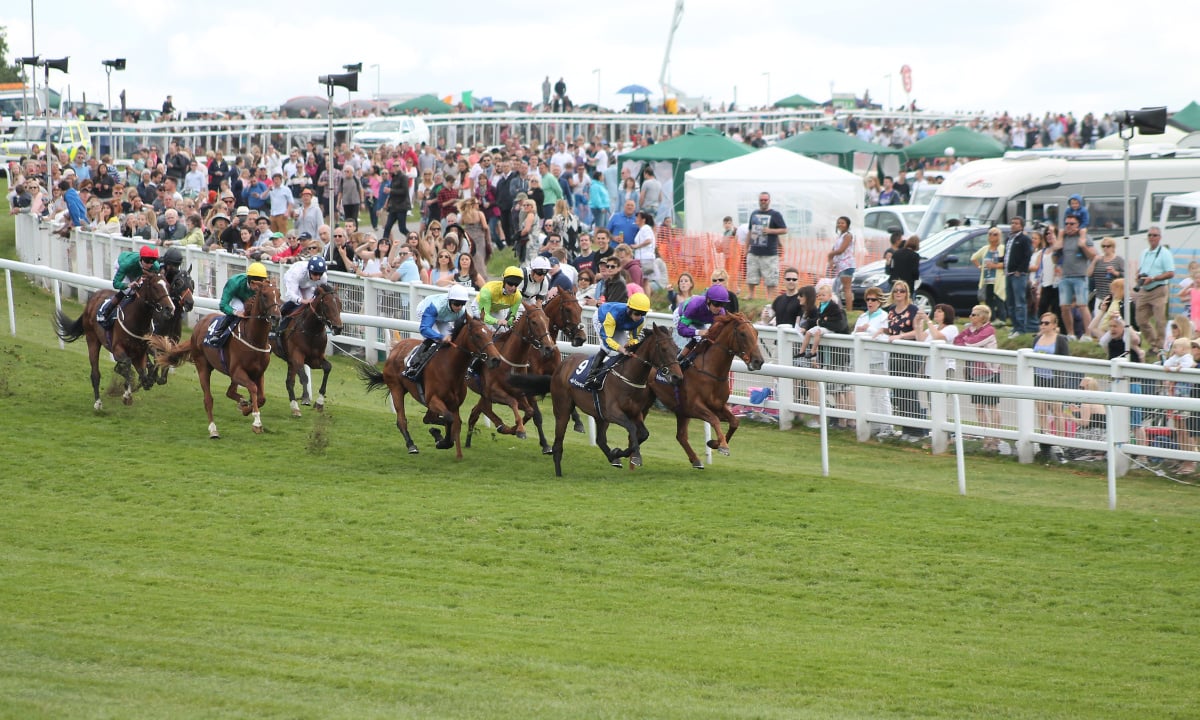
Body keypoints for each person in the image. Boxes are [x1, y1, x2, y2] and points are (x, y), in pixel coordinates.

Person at [954, 305, 1002, 451]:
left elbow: (972, 343)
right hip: (976, 372)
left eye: (974, 315)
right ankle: (986, 438)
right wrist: (968, 339)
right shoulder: (971, 329)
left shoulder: (989, 330)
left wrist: (968, 340)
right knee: (979, 407)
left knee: (992, 406)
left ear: (982, 317)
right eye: (971, 314)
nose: (971, 317)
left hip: (990, 372)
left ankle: (996, 438)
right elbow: (957, 340)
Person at [582, 292, 651, 391]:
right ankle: (590, 377)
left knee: (626, 348)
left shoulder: (640, 320)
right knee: (606, 349)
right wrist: (621, 349)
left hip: (618, 323)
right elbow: (607, 339)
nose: (639, 317)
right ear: (629, 310)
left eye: (643, 314)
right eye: (637, 314)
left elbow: (634, 338)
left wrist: (631, 344)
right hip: (602, 319)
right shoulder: (614, 315)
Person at [884, 280, 924, 441]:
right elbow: (891, 329)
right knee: (899, 392)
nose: (898, 293)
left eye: (902, 290)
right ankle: (907, 428)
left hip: (910, 354)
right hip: (895, 354)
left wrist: (901, 336)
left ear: (907, 293)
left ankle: (917, 431)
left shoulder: (913, 310)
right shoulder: (892, 311)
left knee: (909, 391)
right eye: (896, 291)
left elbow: (917, 331)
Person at [404, 285, 471, 379]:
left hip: (443, 317)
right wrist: (440, 337)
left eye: (462, 303)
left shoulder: (462, 311)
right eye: (456, 303)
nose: (459, 307)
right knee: (435, 340)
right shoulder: (435, 306)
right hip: (426, 311)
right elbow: (424, 329)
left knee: (451, 340)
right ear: (450, 301)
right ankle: (412, 363)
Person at [1031, 311, 1072, 462]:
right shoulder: (1037, 339)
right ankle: (1044, 438)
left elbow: (1065, 359)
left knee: (1057, 411)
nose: (1043, 325)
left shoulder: (1060, 340)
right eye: (1041, 323)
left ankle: (1059, 442)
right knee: (1041, 411)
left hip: (1055, 380)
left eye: (1047, 323)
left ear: (1054, 325)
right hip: (1039, 379)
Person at [854, 286, 893, 438]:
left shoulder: (884, 317)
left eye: (873, 299)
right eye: (868, 299)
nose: (870, 302)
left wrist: (869, 329)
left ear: (879, 301)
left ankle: (887, 427)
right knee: (868, 394)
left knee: (881, 394)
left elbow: (884, 338)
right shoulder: (862, 317)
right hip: (864, 361)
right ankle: (874, 426)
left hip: (878, 360)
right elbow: (854, 335)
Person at [207, 262, 270, 347]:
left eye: (261, 284)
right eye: (256, 286)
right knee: (240, 308)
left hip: (251, 300)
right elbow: (223, 305)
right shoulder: (234, 282)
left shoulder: (263, 285)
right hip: (237, 298)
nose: (258, 288)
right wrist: (236, 312)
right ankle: (218, 334)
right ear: (251, 282)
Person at [99, 245, 160, 327]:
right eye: (146, 261)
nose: (149, 265)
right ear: (141, 258)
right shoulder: (127, 264)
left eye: (152, 261)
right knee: (128, 291)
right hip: (121, 264)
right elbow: (115, 283)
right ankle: (106, 312)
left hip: (136, 270)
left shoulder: (155, 266)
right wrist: (128, 285)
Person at [1135, 225, 1174, 352]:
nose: (1152, 237)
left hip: (1159, 288)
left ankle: (1160, 347)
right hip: (1145, 289)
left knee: (1159, 320)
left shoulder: (1165, 253)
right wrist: (1139, 276)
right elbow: (1141, 269)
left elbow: (1170, 273)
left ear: (1160, 237)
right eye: (1150, 235)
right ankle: (1153, 343)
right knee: (1140, 319)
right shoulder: (1144, 253)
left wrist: (1153, 278)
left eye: (1155, 235)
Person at [1058, 215, 1095, 340]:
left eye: (1072, 223)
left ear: (1078, 225)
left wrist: (1083, 246)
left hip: (1080, 275)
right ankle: (1070, 333)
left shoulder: (1084, 238)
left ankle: (1088, 334)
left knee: (1082, 305)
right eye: (1067, 223)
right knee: (1064, 306)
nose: (1069, 226)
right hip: (1065, 275)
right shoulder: (1064, 238)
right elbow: (1055, 257)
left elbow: (1093, 256)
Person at [745, 191, 786, 301]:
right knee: (751, 274)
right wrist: (746, 248)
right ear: (759, 201)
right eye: (761, 200)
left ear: (769, 201)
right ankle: (751, 294)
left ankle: (770, 298)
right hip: (754, 251)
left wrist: (770, 230)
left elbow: (784, 229)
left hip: (769, 253)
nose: (763, 202)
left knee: (770, 277)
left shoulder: (775, 215)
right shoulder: (754, 214)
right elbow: (750, 231)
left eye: (765, 200)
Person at [675, 285, 730, 367]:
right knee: (697, 338)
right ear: (708, 300)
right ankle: (677, 362)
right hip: (681, 316)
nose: (719, 307)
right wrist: (699, 332)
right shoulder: (694, 305)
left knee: (706, 340)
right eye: (716, 303)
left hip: (699, 321)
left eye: (722, 304)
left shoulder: (721, 312)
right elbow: (681, 329)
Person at [795, 282, 848, 361]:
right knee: (808, 333)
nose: (821, 297)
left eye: (824, 295)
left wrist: (826, 320)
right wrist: (806, 326)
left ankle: (813, 351)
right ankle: (802, 351)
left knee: (818, 332)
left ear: (830, 296)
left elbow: (838, 320)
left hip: (829, 330)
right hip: (821, 326)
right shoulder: (820, 305)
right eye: (820, 295)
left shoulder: (835, 307)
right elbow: (818, 318)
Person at [278, 255, 329, 337]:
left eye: (320, 274)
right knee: (297, 303)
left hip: (308, 285)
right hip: (294, 281)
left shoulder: (323, 278)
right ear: (309, 270)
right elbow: (291, 294)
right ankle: (281, 320)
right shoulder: (297, 273)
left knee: (311, 304)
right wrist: (302, 300)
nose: (318, 277)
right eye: (315, 274)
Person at [1005, 216, 1034, 336]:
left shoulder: (1024, 239)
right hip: (1008, 273)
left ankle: (1021, 329)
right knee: (1010, 303)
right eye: (1012, 223)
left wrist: (1020, 270)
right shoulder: (1009, 239)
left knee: (1019, 302)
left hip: (1018, 275)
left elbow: (1027, 255)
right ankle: (1015, 326)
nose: (1013, 225)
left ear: (1021, 226)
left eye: (1016, 223)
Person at [972, 227, 1007, 326]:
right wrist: (980, 266)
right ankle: (993, 319)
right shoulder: (985, 249)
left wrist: (994, 266)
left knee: (1000, 299)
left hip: (999, 279)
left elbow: (1006, 264)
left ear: (999, 236)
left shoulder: (1002, 249)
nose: (992, 236)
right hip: (987, 279)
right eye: (990, 234)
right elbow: (973, 257)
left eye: (995, 234)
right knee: (989, 300)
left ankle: (1002, 320)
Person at [827, 216, 855, 311]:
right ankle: (838, 308)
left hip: (846, 265)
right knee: (838, 288)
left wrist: (830, 254)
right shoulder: (840, 236)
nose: (840, 225)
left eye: (842, 223)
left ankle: (849, 310)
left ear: (847, 224)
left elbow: (841, 250)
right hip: (840, 265)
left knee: (846, 288)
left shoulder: (848, 235)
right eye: (838, 223)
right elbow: (835, 249)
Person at [630, 211, 657, 283]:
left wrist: (636, 246)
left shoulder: (646, 228)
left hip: (645, 259)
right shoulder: (642, 229)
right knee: (644, 281)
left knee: (644, 281)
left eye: (638, 217)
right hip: (643, 258)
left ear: (643, 220)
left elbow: (648, 241)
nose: (635, 219)